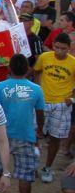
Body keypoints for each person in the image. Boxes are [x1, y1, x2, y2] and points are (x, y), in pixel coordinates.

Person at [0, 54, 46, 193]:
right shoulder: (36, 89)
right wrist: (40, 131)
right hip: (26, 136)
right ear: (27, 69)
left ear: (9, 68)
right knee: (25, 175)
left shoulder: (0, 87)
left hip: (3, 135)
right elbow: (40, 113)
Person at [33, 32, 75, 183]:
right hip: (42, 102)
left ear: (69, 48)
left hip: (62, 105)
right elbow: (35, 71)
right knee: (35, 134)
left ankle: (47, 167)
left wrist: (71, 99)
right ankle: (33, 164)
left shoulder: (73, 63)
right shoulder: (45, 57)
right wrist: (36, 89)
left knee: (55, 138)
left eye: (63, 48)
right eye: (56, 47)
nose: (59, 51)